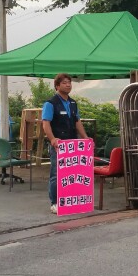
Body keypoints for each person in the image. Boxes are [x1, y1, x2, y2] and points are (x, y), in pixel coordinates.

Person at [41, 73, 88, 214]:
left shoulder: (73, 103)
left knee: (72, 173)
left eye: (69, 82)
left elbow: (77, 121)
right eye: (64, 83)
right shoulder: (50, 103)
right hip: (59, 144)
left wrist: (85, 137)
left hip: (72, 143)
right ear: (57, 86)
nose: (68, 85)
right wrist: (52, 139)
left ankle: (70, 200)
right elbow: (46, 123)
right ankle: (55, 202)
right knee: (56, 174)